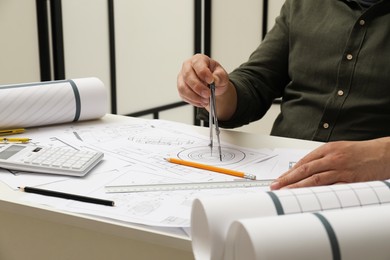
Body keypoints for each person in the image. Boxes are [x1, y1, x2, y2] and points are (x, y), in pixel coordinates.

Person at [177, 0, 390, 190]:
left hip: (367, 190)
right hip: (277, 174)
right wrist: (215, 91)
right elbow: (257, 81)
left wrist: (383, 156)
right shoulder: (303, 4)